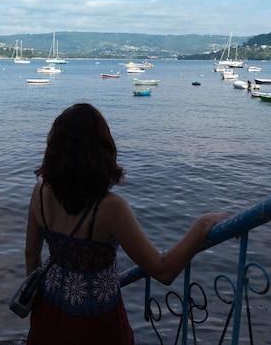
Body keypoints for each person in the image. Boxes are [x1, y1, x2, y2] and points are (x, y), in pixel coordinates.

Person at [24, 103, 230, 345]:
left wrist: (38, 307)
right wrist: (202, 224)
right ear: (102, 149)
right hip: (96, 323)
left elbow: (31, 255)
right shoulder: (110, 208)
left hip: (47, 311)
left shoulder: (40, 193)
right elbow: (163, 270)